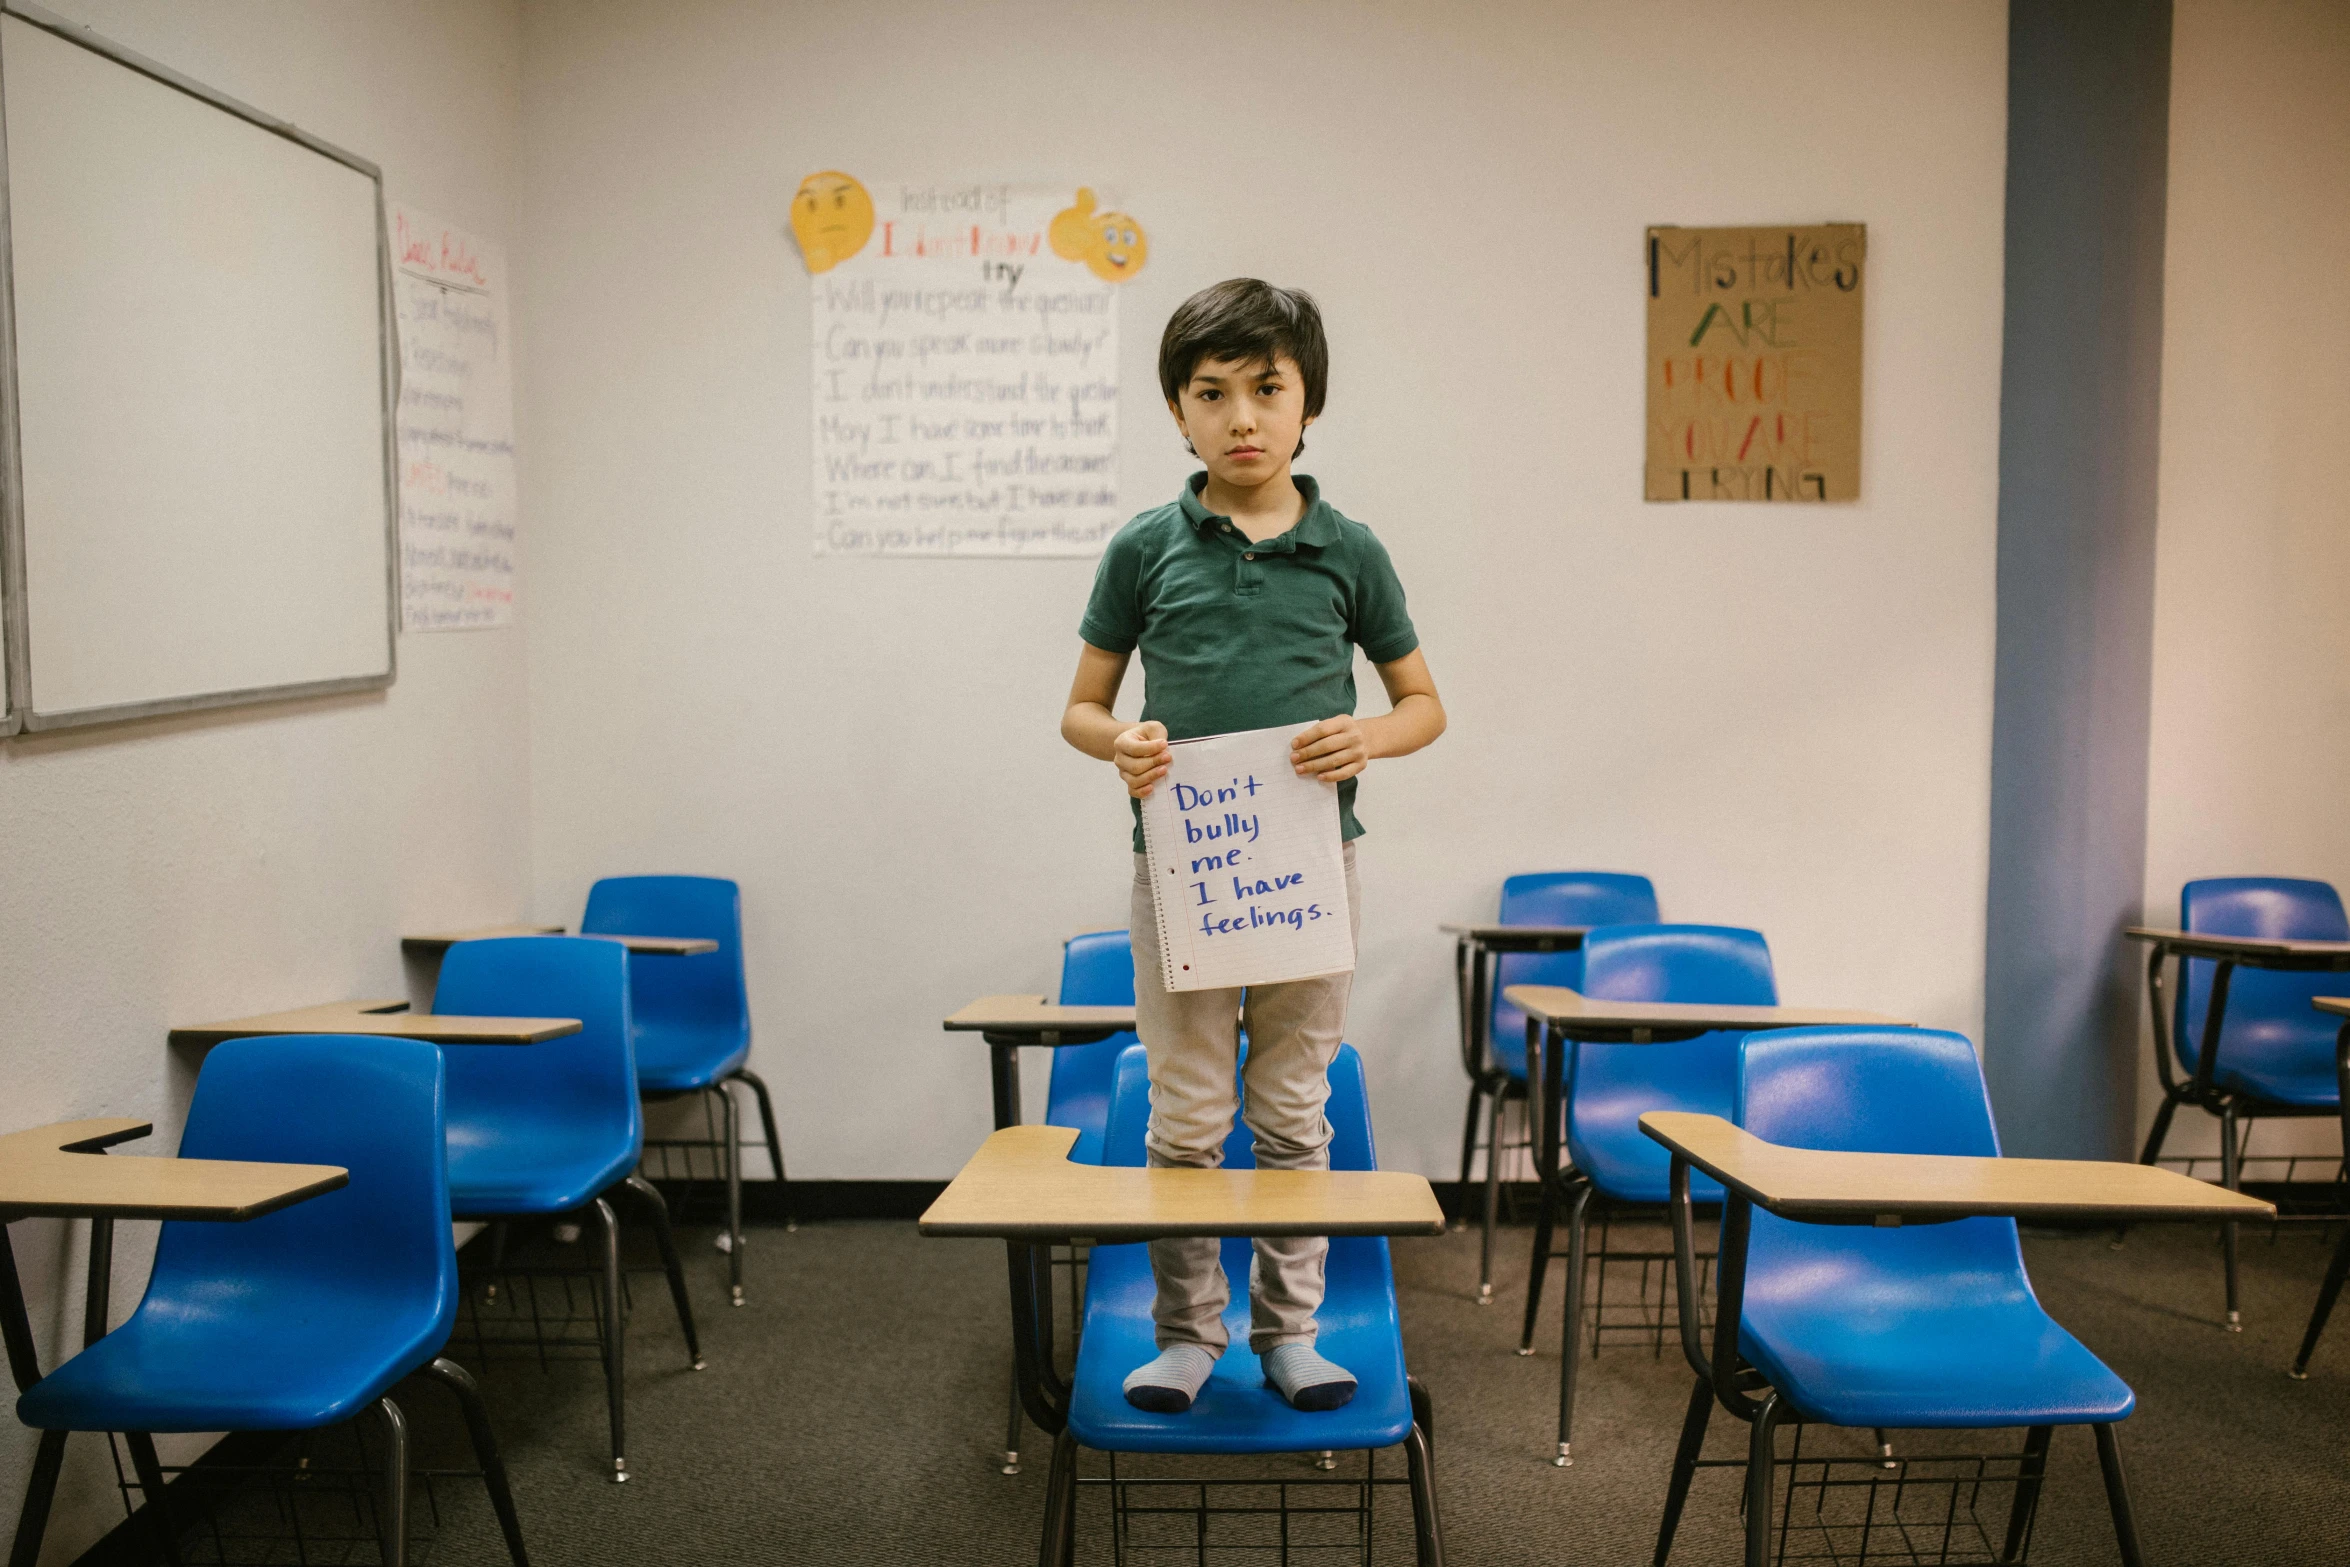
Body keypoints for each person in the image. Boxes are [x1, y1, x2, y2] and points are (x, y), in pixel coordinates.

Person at [1059, 278, 1446, 1413]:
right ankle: (1186, 1332)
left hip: (1307, 869)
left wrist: (1363, 736)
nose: (1241, 417)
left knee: (1290, 1106)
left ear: (1306, 404)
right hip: (1180, 870)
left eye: (1266, 389)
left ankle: (1291, 1331)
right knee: (1184, 1110)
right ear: (1178, 413)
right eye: (1211, 392)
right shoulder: (1143, 547)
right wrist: (1118, 741)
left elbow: (1423, 702)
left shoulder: (1350, 549)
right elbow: (1079, 708)